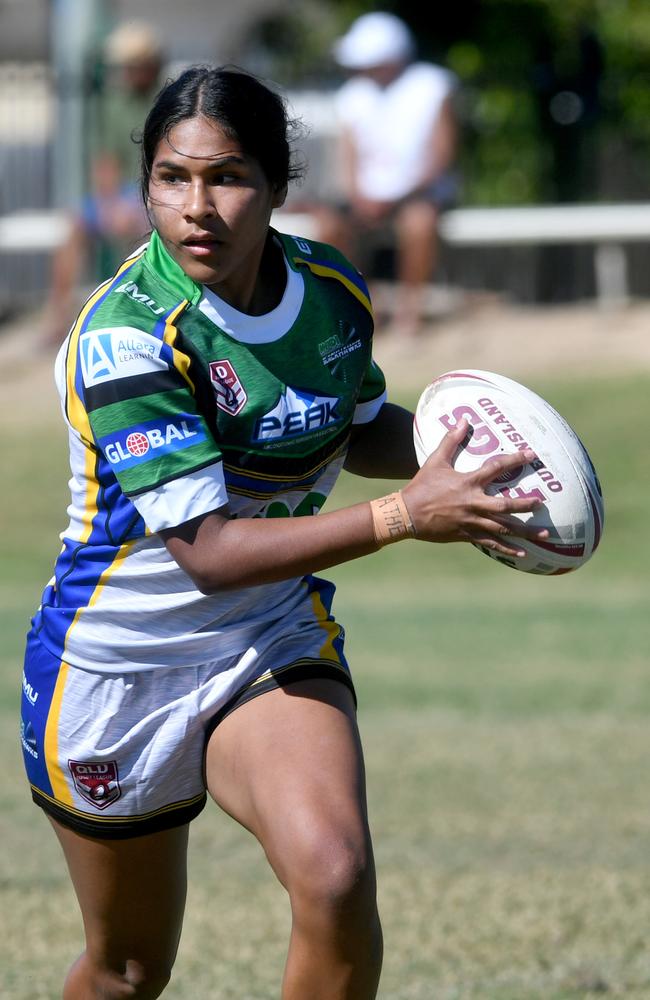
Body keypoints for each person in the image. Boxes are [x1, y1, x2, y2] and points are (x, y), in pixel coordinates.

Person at [20, 66, 547, 1000]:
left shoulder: (332, 291)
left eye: (227, 178)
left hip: (265, 633)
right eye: (172, 179)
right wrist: (405, 516)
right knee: (127, 970)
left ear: (276, 187)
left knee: (336, 876)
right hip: (117, 665)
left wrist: (463, 459)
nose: (198, 208)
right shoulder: (125, 337)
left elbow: (352, 422)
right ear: (144, 186)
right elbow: (210, 553)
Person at [313, 11, 458, 340]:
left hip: (420, 193)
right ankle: (356, 306)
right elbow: (348, 158)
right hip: (366, 196)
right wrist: (357, 196)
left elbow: (441, 155)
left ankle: (410, 314)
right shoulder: (353, 95)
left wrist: (396, 196)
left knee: (419, 223)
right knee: (328, 227)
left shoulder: (432, 85)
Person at [45, 20, 164, 345]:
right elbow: (106, 161)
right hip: (125, 194)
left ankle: (144, 317)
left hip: (158, 191)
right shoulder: (114, 102)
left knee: (142, 229)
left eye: (131, 64)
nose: (125, 71)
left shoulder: (167, 99)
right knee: (75, 227)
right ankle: (58, 317)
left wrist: (140, 202)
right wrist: (110, 204)